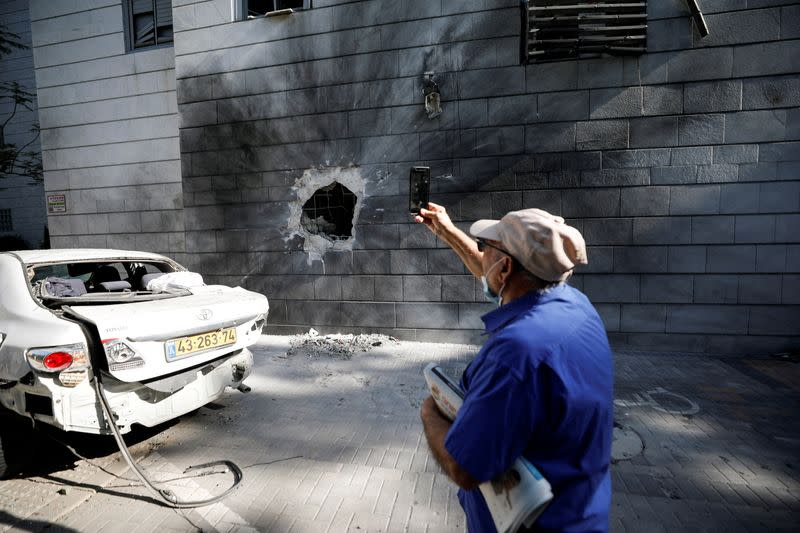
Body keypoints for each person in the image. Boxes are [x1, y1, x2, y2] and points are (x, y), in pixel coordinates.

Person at [416, 202, 613, 533]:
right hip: (580, 514)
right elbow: (489, 272)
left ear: (505, 269)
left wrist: (430, 412)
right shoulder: (576, 306)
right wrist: (447, 231)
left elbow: (467, 468)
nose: (482, 256)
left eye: (486, 247)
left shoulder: (517, 352)